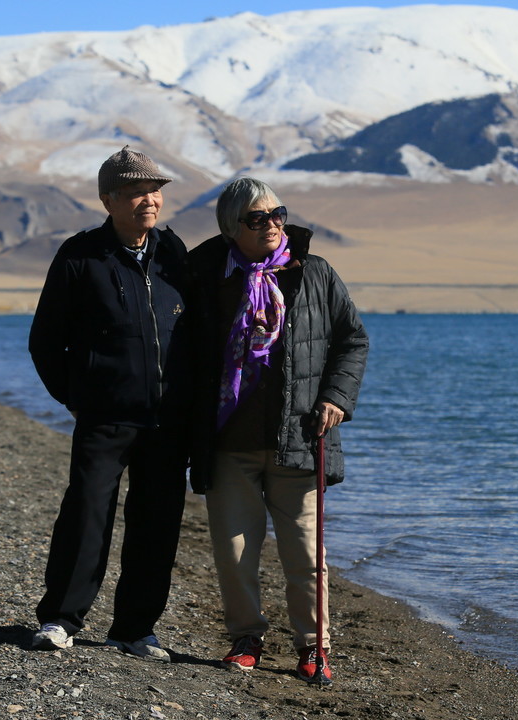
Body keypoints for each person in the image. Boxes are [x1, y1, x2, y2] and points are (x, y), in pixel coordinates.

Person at [186, 177, 368, 683]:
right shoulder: (205, 275)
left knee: (307, 554)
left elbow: (352, 341)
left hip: (300, 438)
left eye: (277, 213)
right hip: (227, 442)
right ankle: (246, 638)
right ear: (231, 228)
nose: (271, 224)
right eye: (256, 218)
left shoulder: (314, 273)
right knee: (235, 550)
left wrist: (336, 397)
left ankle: (314, 648)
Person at [28, 146, 191, 662]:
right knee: (87, 512)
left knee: (157, 520)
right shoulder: (81, 256)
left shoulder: (173, 253)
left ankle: (135, 628)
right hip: (104, 415)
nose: (151, 200)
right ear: (109, 199)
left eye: (156, 190)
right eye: (139, 192)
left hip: (166, 420)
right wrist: (79, 398)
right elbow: (45, 340)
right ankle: (61, 618)